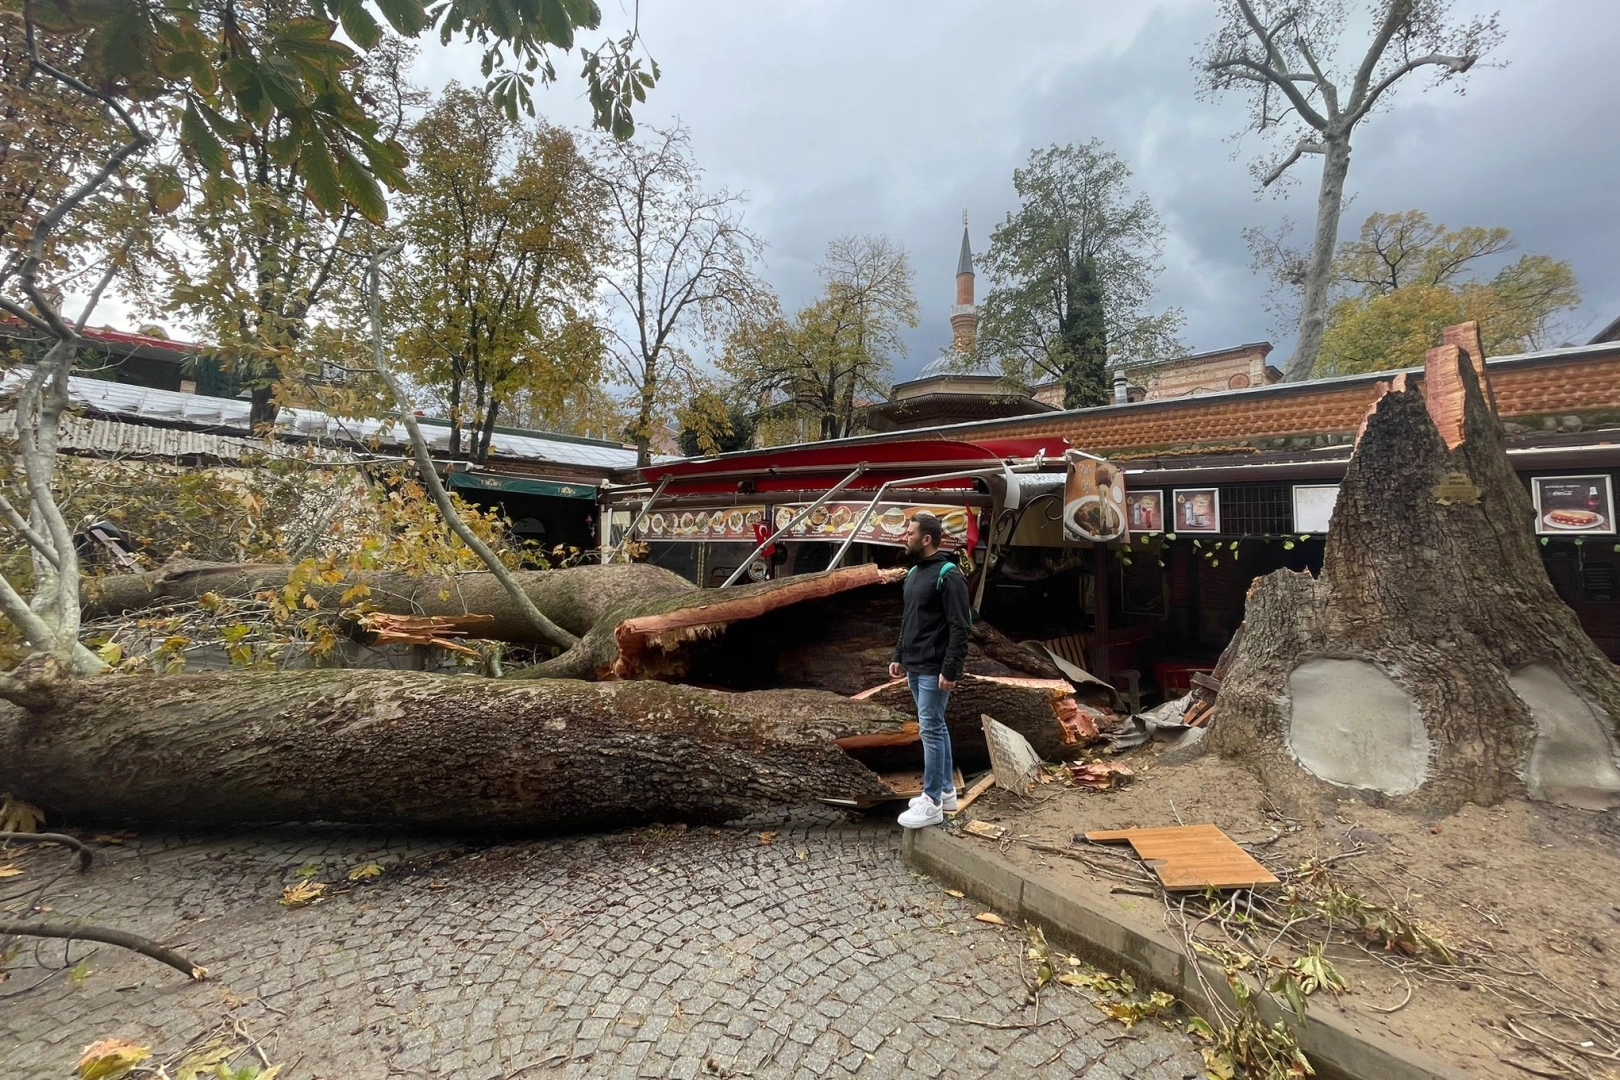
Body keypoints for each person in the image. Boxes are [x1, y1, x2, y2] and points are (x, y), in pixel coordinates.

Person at [889, 511, 972, 828]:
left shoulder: (949, 575)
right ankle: (947, 791)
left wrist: (950, 670)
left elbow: (960, 627)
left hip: (934, 669)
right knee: (935, 726)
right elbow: (909, 619)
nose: (904, 537)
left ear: (926, 539)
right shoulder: (913, 574)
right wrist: (899, 654)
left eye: (909, 533)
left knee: (931, 731)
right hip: (914, 666)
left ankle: (932, 801)